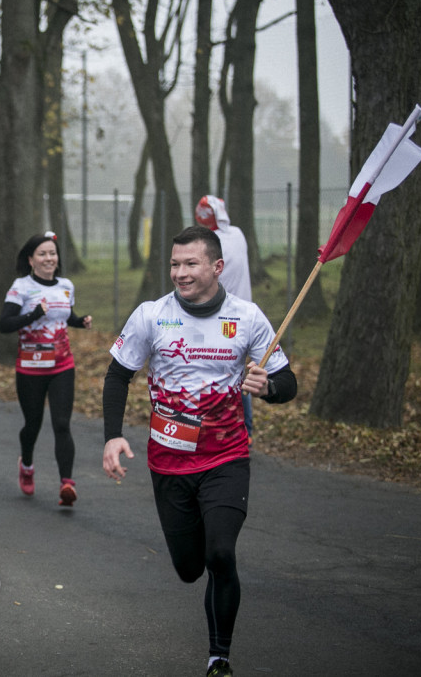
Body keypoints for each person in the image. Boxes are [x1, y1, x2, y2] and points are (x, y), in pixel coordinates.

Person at [101, 225, 297, 677]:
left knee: (221, 554)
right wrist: (113, 435)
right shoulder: (152, 316)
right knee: (190, 568)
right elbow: (117, 376)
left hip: (226, 458)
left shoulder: (247, 318)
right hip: (168, 463)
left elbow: (288, 383)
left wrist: (267, 387)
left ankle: (219, 657)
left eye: (191, 264)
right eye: (174, 264)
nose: (180, 273)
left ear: (216, 267)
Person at [0, 232, 92, 506]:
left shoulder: (66, 285)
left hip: (62, 364)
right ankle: (26, 464)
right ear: (31, 259)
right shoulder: (21, 287)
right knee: (33, 424)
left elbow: (66, 317)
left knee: (62, 424)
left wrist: (80, 321)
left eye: (52, 253)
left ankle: (67, 484)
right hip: (30, 367)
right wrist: (33, 314)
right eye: (42, 253)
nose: (49, 258)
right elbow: (5, 324)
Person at [194, 195, 255, 436]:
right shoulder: (237, 234)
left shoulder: (210, 243)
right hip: (243, 314)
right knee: (234, 370)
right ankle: (245, 429)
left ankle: (226, 426)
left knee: (217, 370)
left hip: (219, 315)